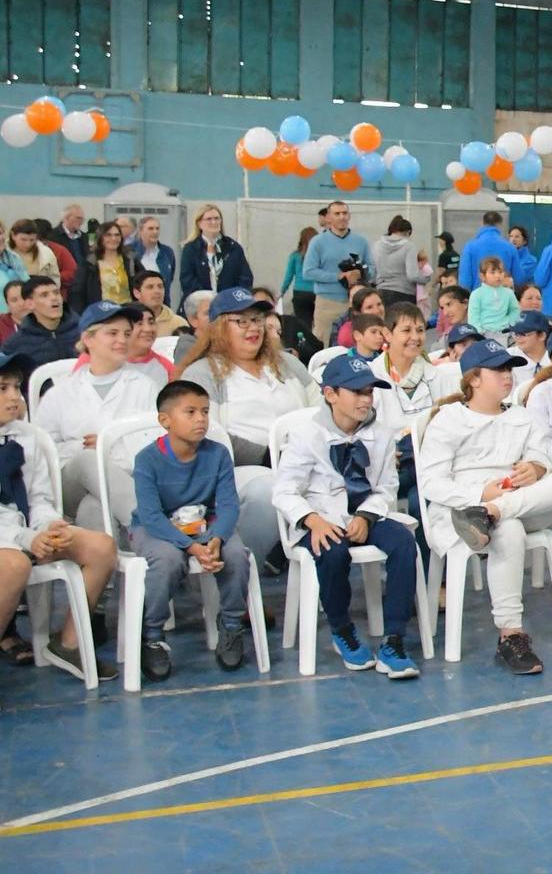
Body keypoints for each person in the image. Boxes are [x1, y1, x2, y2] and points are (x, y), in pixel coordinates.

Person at [416, 338, 552, 676]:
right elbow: (431, 483)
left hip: (518, 503)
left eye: (509, 369)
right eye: (498, 371)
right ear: (473, 379)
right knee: (507, 529)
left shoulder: (523, 418)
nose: (508, 376)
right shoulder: (449, 419)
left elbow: (547, 456)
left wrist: (536, 468)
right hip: (462, 511)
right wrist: (480, 494)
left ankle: (496, 512)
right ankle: (511, 635)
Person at [272, 353, 423, 679]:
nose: (365, 399)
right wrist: (313, 520)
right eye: (357, 392)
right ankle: (341, 628)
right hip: (321, 517)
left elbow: (386, 487)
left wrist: (366, 516)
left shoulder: (381, 435)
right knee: (332, 550)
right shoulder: (306, 435)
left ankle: (394, 638)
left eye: (369, 392)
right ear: (330, 395)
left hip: (365, 514)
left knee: (403, 544)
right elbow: (284, 491)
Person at [0, 352, 118, 681]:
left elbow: (38, 496)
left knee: (101, 547)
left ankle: (68, 643)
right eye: (2, 389)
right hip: (9, 540)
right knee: (14, 564)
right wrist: (27, 539)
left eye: (16, 388)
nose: (14, 397)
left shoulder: (26, 436)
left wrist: (51, 525)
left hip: (26, 531)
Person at [128, 380, 255, 681]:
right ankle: (153, 635)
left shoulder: (218, 454)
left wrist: (216, 538)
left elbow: (228, 506)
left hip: (206, 524)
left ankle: (232, 625)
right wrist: (191, 547)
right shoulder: (147, 459)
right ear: (165, 420)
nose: (201, 419)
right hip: (157, 527)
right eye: (191, 412)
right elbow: (150, 515)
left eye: (205, 411)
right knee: (167, 560)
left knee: (236, 555)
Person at [173, 287, 308, 558]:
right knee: (268, 490)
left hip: (304, 460)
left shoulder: (288, 364)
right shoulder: (201, 373)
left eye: (257, 320)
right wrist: (269, 456)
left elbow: (323, 411)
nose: (252, 328)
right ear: (219, 328)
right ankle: (241, 572)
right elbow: (205, 434)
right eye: (241, 321)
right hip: (240, 468)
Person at [38, 302, 157, 529]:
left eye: (126, 334)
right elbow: (45, 451)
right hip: (72, 485)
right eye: (112, 333)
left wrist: (107, 445)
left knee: (92, 509)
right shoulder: (59, 393)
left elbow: (155, 443)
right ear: (88, 339)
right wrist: (83, 449)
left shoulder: (146, 387)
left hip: (130, 478)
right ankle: (152, 525)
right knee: (87, 459)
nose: (122, 340)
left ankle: (117, 559)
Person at [303, 201, 374, 343]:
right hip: (328, 303)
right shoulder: (318, 242)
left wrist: (361, 273)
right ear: (328, 217)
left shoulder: (361, 241)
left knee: (359, 342)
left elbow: (372, 269)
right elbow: (308, 272)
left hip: (357, 303)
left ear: (349, 216)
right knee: (323, 343)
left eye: (344, 213)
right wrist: (338, 276)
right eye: (337, 214)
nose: (342, 217)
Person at [178, 205, 252, 303]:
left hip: (229, 305)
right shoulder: (191, 249)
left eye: (217, 218)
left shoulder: (233, 247)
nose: (214, 222)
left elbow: (245, 278)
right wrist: (208, 298)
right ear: (199, 223)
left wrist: (232, 299)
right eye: (209, 219)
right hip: (200, 306)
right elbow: (187, 280)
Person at [3, 275, 79, 370]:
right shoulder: (15, 345)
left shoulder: (85, 332)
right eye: (44, 295)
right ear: (29, 304)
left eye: (56, 293)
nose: (54, 298)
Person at [371, 216, 427, 311]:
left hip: (381, 292)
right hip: (404, 293)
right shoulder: (409, 246)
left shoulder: (376, 245)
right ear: (408, 232)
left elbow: (373, 272)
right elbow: (412, 275)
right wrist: (425, 279)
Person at [457, 212, 522, 291]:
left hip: (478, 297)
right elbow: (519, 279)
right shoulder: (510, 247)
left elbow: (465, 281)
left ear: (483, 224)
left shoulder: (470, 247)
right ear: (500, 225)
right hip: (503, 297)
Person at [81, 222, 132, 306]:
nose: (113, 238)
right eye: (108, 235)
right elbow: (78, 292)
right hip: (102, 312)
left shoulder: (130, 259)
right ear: (100, 238)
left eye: (117, 235)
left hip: (128, 310)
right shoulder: (90, 262)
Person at [50, 205, 90, 310]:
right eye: (78, 218)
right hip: (65, 286)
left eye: (82, 219)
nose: (81, 221)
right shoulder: (53, 236)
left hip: (83, 283)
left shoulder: (84, 237)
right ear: (66, 218)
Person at [467, 257, 519, 335]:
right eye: (493, 272)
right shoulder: (476, 294)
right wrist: (478, 333)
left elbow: (515, 310)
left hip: (506, 331)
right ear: (482, 276)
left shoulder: (509, 293)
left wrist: (510, 323)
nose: (498, 276)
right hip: (484, 333)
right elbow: (473, 317)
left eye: (500, 272)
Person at [128, 216, 177, 294]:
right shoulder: (130, 251)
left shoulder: (167, 252)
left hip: (162, 301)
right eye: (150, 228)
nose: (155, 232)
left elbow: (169, 278)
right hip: (137, 302)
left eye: (157, 228)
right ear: (140, 231)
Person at [280, 225, 317, 326]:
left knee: (303, 324)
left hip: (300, 293)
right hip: (317, 293)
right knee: (318, 324)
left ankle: (304, 341)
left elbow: (288, 277)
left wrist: (281, 292)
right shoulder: (319, 257)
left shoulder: (295, 256)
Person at [132, 270, 186, 337]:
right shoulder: (127, 321)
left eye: (160, 287)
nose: (157, 291)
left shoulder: (178, 323)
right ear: (137, 293)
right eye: (150, 287)